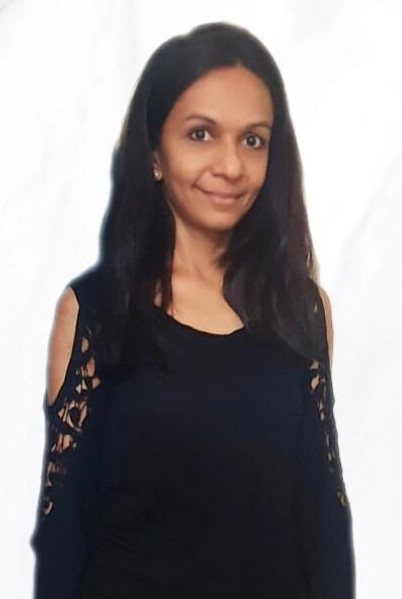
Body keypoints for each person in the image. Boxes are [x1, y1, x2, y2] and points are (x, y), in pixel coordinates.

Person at [31, 21, 355, 599]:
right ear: (154, 154)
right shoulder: (94, 313)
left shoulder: (303, 311)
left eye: (253, 140)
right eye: (201, 134)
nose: (230, 165)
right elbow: (63, 537)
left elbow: (324, 521)